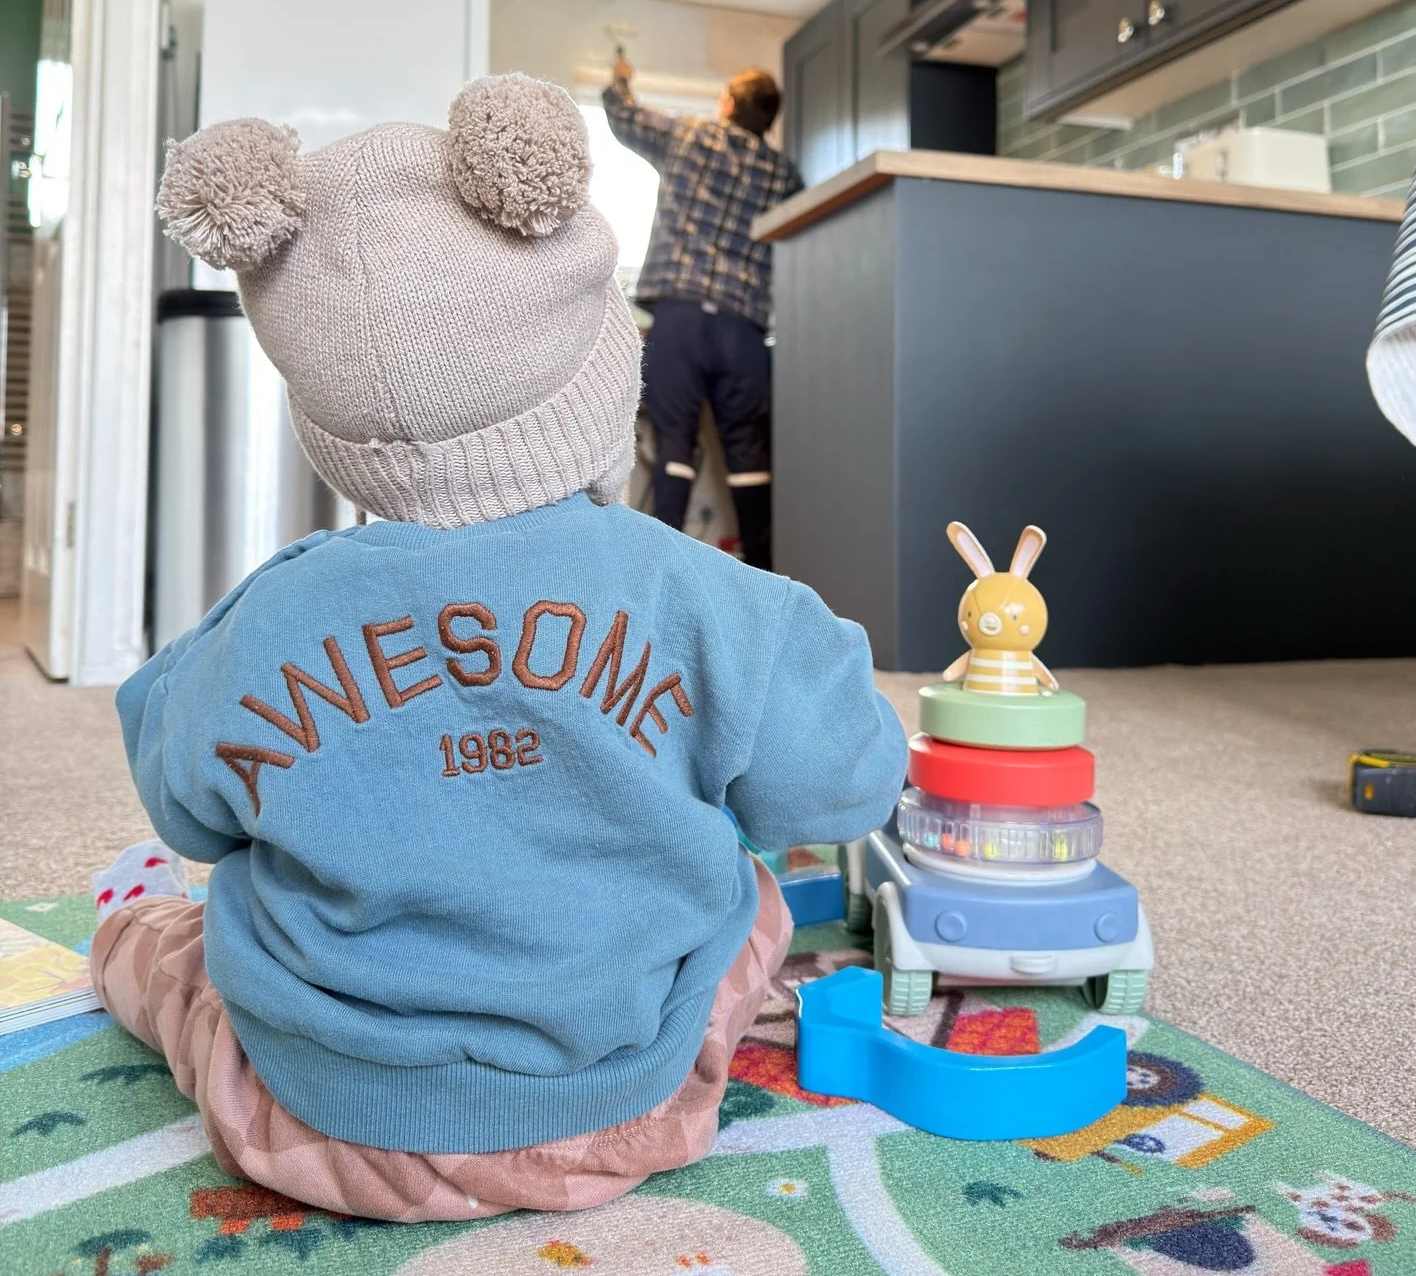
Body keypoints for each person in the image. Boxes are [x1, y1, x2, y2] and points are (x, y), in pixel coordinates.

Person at [88, 74, 907, 1222]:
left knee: (187, 954)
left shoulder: (268, 616)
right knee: (751, 898)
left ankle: (119, 931)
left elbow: (186, 812)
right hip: (629, 1101)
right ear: (596, 377)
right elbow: (852, 777)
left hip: (320, 1120)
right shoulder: (705, 595)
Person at [603, 54, 802, 571]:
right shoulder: (783, 173)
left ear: (729, 104)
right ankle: (765, 579)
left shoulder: (690, 137)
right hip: (744, 331)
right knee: (749, 457)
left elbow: (624, 116)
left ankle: (661, 577)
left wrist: (622, 77)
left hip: (681, 320)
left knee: (675, 443)